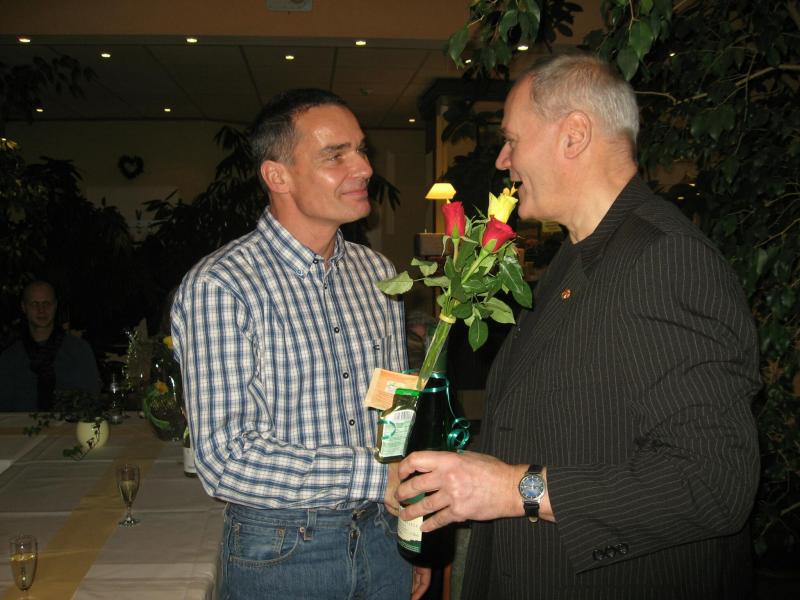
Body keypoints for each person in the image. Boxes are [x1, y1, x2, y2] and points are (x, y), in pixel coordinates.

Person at [396, 53, 761, 599]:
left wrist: (514, 489)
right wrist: (458, 475)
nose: (503, 160)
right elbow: (554, 422)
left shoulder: (666, 258)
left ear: (573, 136)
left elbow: (714, 483)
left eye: (512, 140)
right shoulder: (575, 255)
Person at [170, 89, 429, 600]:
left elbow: (394, 407)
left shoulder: (377, 273)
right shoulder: (221, 285)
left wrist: (410, 534)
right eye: (336, 155)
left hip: (383, 534)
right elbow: (225, 457)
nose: (364, 168)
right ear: (277, 176)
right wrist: (377, 477)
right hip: (283, 549)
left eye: (361, 150)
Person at [0, 280, 101, 411]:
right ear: (24, 307)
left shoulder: (79, 351)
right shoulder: (10, 357)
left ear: (55, 306)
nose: (41, 310)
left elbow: (91, 400)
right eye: (34, 304)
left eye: (46, 303)